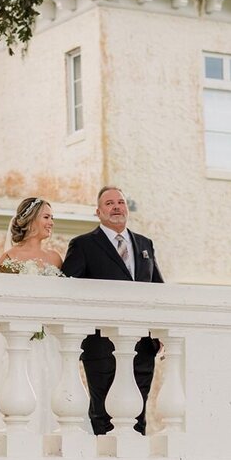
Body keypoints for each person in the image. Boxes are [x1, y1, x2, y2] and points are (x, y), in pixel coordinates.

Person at [0, 196, 87, 435]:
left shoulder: (55, 258)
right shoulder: (9, 259)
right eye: (46, 217)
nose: (51, 222)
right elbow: (0, 302)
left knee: (52, 388)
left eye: (52, 218)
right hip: (19, 339)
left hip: (50, 342)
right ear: (31, 221)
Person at [61, 185, 163, 435]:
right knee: (104, 411)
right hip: (101, 344)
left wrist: (159, 330)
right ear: (98, 212)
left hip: (142, 344)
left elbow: (158, 289)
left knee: (138, 410)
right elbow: (68, 291)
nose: (116, 207)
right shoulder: (83, 245)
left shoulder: (144, 243)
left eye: (120, 202)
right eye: (109, 203)